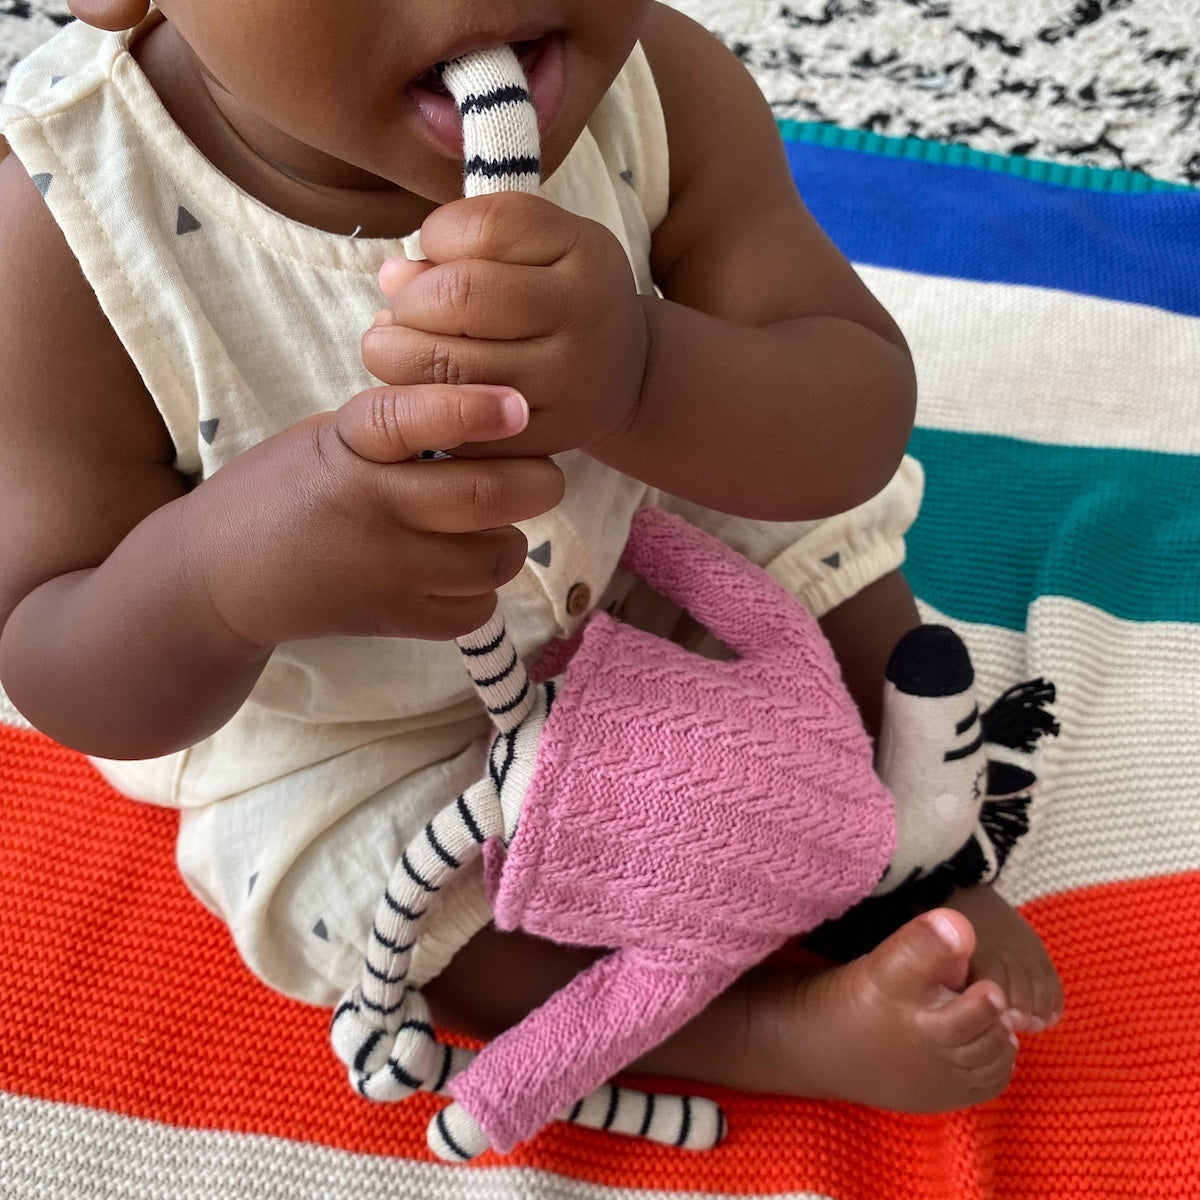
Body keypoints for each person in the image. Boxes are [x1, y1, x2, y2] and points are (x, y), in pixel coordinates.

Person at [0, 0, 1061, 1118]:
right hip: (365, 721)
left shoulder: (651, 86)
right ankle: (767, 1030)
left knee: (819, 539)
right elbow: (56, 655)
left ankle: (918, 855)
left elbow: (852, 407)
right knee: (354, 888)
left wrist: (647, 376)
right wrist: (222, 575)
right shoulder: (65, 225)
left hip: (652, 539)